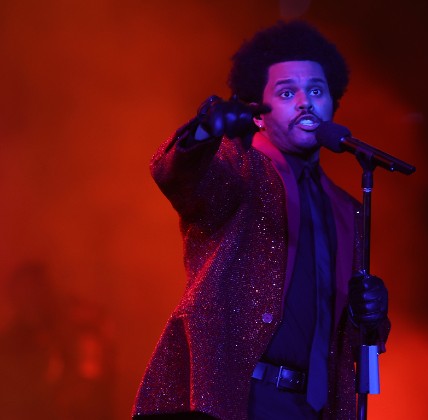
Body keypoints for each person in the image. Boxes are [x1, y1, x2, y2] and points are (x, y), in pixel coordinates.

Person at [132, 20, 390, 420]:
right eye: (287, 92)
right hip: (239, 399)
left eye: (317, 91)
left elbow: (344, 340)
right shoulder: (239, 169)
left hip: (315, 407)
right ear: (257, 114)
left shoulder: (347, 209)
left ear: (333, 104)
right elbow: (178, 177)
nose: (305, 102)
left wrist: (371, 317)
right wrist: (204, 131)